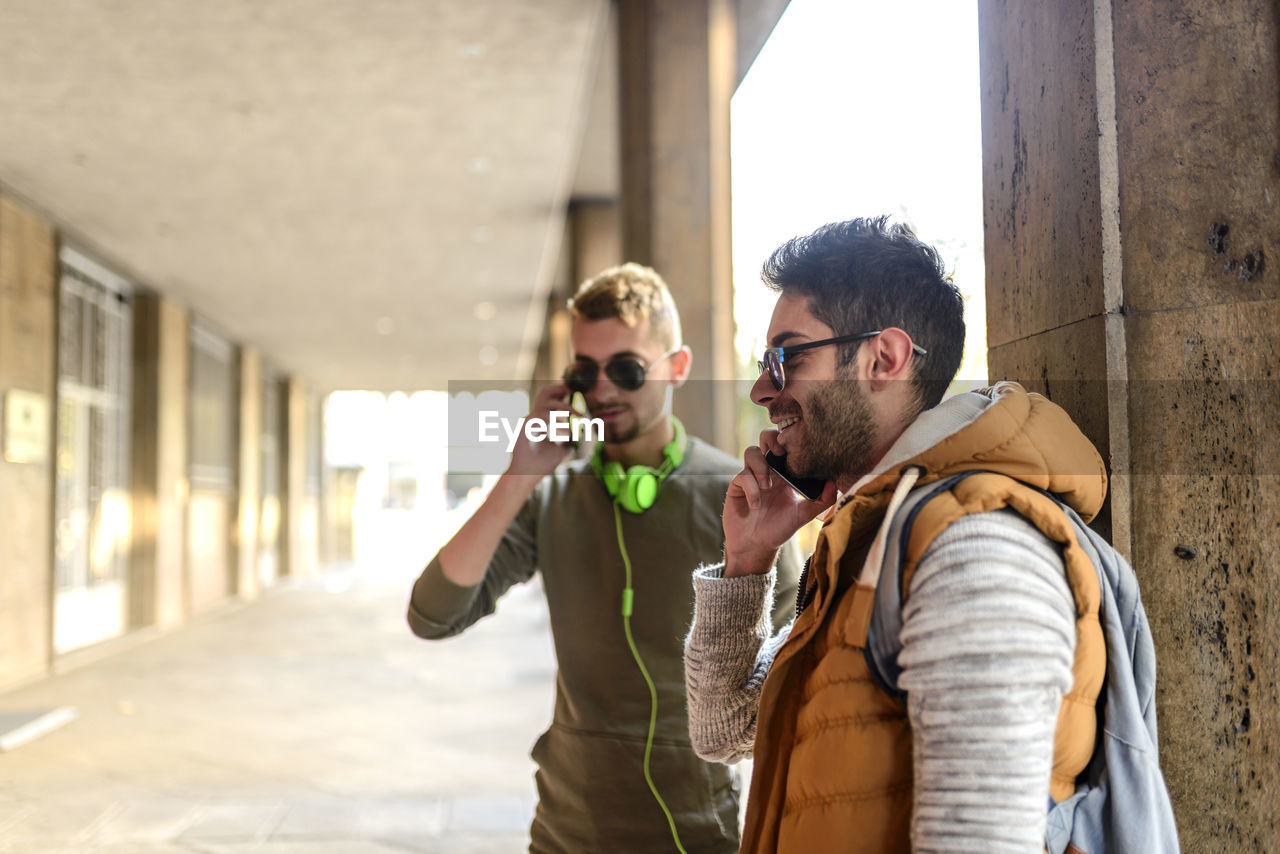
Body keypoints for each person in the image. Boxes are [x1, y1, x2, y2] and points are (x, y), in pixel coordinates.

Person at [684, 217, 1113, 852]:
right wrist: (747, 561)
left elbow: (979, 839)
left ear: (884, 358)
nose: (761, 390)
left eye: (787, 357)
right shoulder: (871, 534)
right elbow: (723, 730)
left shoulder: (972, 551)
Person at [408, 262, 802, 853]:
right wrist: (520, 475)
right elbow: (432, 614)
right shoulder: (554, 496)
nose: (602, 390)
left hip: (697, 833)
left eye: (625, 368)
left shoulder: (742, 496)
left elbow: (789, 675)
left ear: (677, 367)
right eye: (583, 372)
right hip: (565, 830)